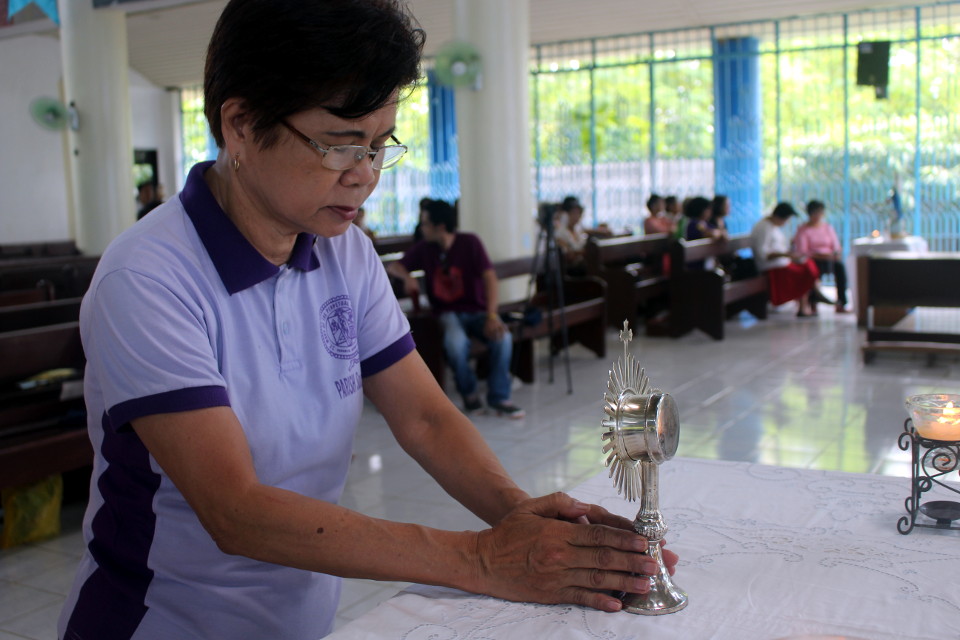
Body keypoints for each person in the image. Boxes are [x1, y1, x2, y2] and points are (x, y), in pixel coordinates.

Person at [58, 2, 676, 638]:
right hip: (164, 621)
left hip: (302, 615)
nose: (365, 177)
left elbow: (425, 417)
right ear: (240, 125)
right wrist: (481, 559)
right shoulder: (149, 279)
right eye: (340, 145)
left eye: (381, 146)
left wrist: (522, 518)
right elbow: (234, 508)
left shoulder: (340, 247)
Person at [388, 199, 525, 418]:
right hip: (447, 314)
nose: (421, 228)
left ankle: (499, 397)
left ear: (439, 226)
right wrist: (407, 277)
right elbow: (394, 267)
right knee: (455, 343)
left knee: (503, 338)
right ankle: (470, 394)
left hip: (478, 313)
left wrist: (492, 316)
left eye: (424, 223)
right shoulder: (425, 249)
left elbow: (490, 279)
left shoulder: (469, 242)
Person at [750, 202, 820, 317]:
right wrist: (785, 255)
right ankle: (809, 301)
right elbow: (762, 254)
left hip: (781, 263)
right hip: (771, 267)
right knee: (805, 270)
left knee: (809, 264)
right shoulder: (763, 227)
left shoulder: (773, 226)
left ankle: (806, 303)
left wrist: (789, 254)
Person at [794, 200, 848, 313]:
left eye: (820, 213)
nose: (818, 216)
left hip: (830, 259)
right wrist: (820, 256)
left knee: (840, 267)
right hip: (814, 259)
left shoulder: (827, 228)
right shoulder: (803, 230)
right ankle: (813, 302)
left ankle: (841, 303)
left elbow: (836, 246)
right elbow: (803, 251)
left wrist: (835, 254)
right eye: (815, 213)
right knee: (811, 270)